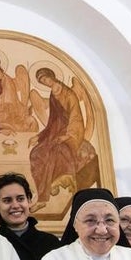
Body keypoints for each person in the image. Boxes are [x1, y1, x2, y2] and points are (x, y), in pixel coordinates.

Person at [29, 69, 88, 202]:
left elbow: (76, 116)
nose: (45, 82)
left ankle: (52, 187)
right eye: (42, 82)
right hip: (56, 131)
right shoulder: (52, 95)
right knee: (35, 153)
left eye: (46, 79)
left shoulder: (69, 94)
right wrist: (39, 136)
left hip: (70, 131)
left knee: (56, 151)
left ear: (52, 76)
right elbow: (53, 121)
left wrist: (68, 135)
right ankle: (44, 191)